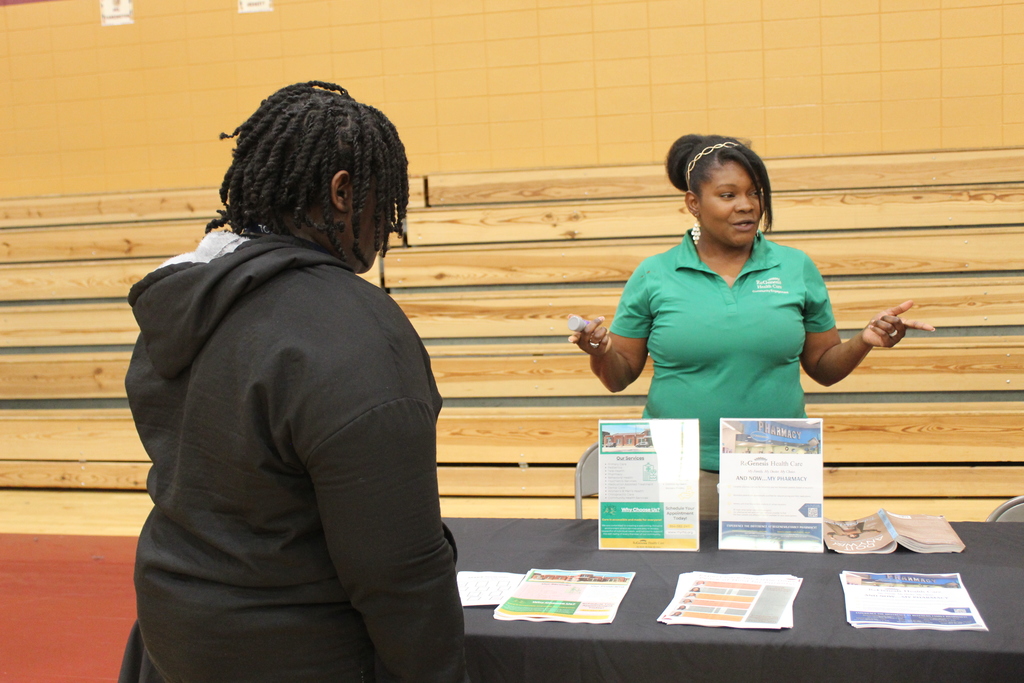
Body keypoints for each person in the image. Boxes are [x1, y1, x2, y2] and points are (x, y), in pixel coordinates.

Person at [118, 82, 468, 682]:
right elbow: (396, 570)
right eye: (383, 206)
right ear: (341, 192)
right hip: (297, 650)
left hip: (175, 632)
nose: (384, 227)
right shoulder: (356, 330)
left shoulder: (186, 300)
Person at [569, 134, 934, 519]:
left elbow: (824, 368)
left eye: (754, 193)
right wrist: (602, 352)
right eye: (727, 195)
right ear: (693, 203)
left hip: (777, 467)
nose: (746, 205)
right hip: (676, 471)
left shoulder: (795, 267)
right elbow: (618, 377)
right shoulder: (654, 274)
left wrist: (863, 340)